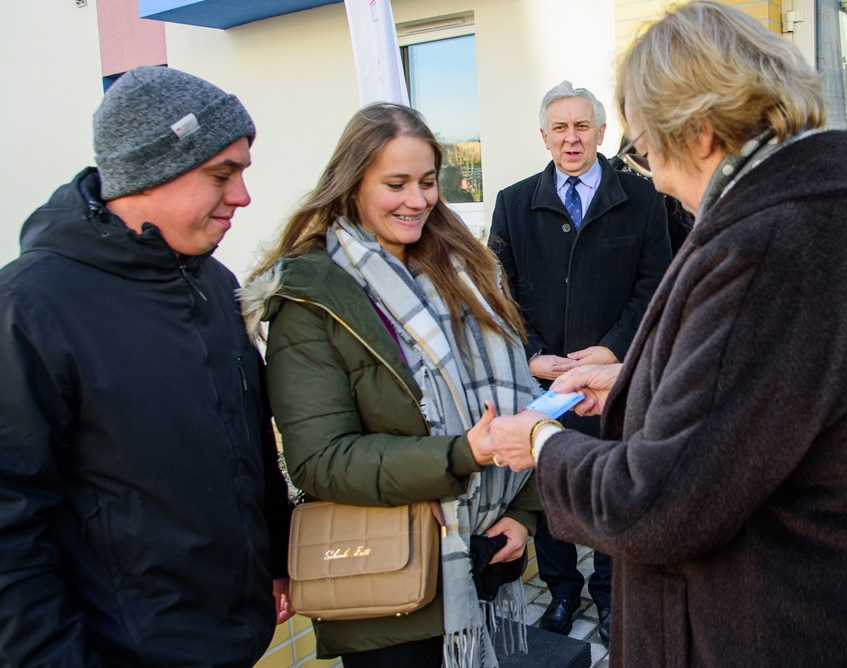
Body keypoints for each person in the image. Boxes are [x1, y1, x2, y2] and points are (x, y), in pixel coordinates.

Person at [481, 3, 847, 666]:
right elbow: (775, 398)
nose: (655, 176)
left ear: (700, 132)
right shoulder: (835, 212)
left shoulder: (772, 246)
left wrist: (540, 441)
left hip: (775, 634)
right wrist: (633, 379)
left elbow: (656, 505)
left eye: (645, 149)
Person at [0, 66, 293, 667]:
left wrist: (277, 556)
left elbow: (249, 442)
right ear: (149, 170)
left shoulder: (213, 284)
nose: (242, 196)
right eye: (222, 174)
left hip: (235, 637)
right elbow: (9, 528)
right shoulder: (30, 307)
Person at [240, 103, 541, 668]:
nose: (417, 200)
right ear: (353, 184)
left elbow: (516, 400)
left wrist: (524, 515)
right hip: (388, 588)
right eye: (395, 184)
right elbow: (318, 458)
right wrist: (460, 455)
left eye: (427, 182)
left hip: (482, 561)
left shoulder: (467, 268)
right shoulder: (311, 296)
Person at [488, 81, 670, 645]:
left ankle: (615, 596)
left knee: (615, 488)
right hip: (543, 379)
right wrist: (534, 353)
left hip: (612, 381)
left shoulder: (642, 199)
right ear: (544, 136)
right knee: (548, 483)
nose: (572, 137)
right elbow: (500, 289)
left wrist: (615, 349)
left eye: (582, 125)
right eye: (560, 127)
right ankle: (563, 590)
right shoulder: (514, 202)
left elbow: (655, 284)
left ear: (601, 131)